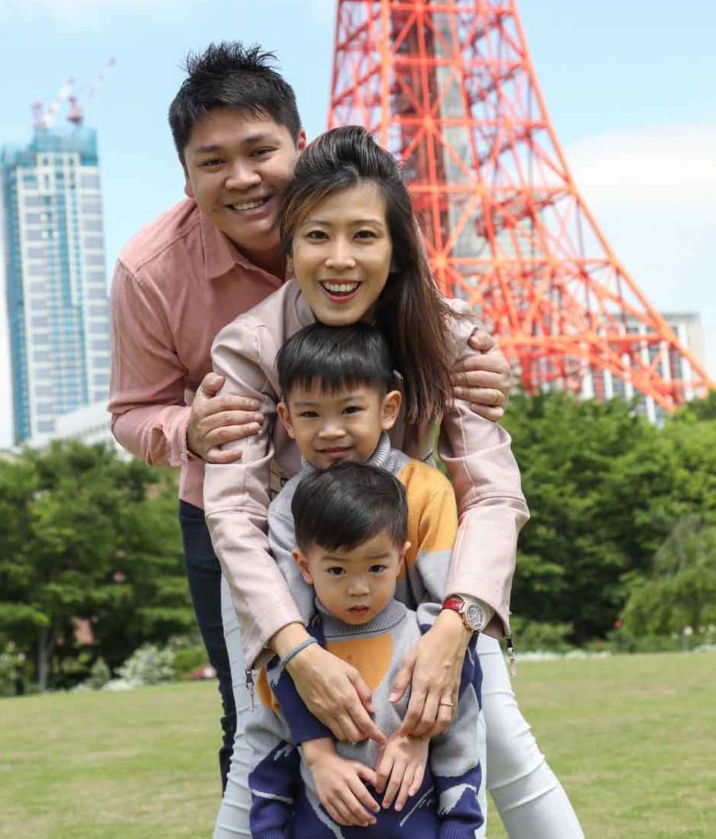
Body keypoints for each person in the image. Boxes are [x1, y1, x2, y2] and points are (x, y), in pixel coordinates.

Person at [108, 43, 511, 796]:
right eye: (212, 162)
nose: (242, 178)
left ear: (301, 145)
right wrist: (183, 432)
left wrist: (480, 365)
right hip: (243, 515)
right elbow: (133, 412)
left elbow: (436, 329)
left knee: (464, 717)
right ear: (186, 176)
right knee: (258, 729)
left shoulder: (361, 226)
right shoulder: (151, 272)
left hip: (390, 513)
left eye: (261, 151)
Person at [206, 126, 584, 837]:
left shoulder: (446, 335)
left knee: (493, 728)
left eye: (364, 236)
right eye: (317, 235)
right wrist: (297, 649)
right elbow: (234, 518)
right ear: (288, 247)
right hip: (285, 569)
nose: (339, 260)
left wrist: (455, 624)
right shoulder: (251, 347)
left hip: (417, 553)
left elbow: (494, 493)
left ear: (397, 245)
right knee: (262, 740)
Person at [248, 461, 484, 838]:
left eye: (375, 567)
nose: (358, 588)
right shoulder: (293, 663)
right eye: (338, 571)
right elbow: (268, 758)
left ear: (400, 559)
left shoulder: (433, 648)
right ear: (305, 567)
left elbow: (461, 751)